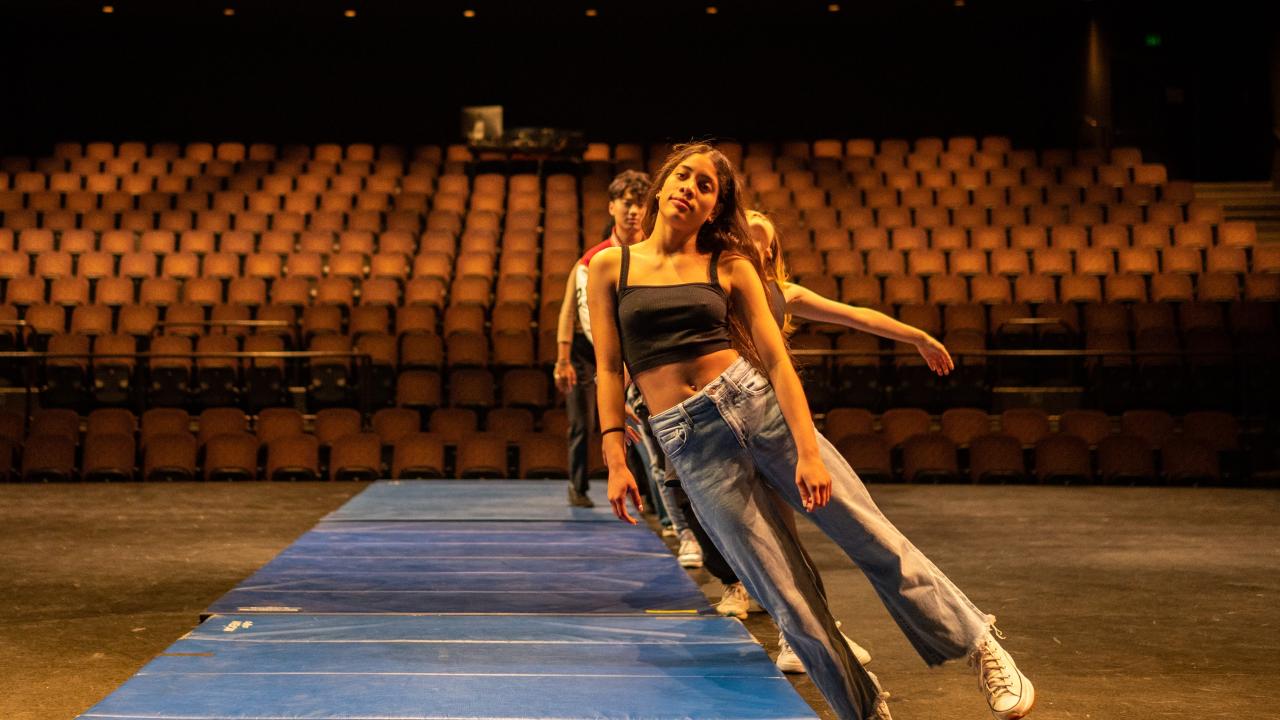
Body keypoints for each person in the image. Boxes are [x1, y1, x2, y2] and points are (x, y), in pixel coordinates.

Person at [587, 143, 1035, 720]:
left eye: (705, 187)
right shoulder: (610, 266)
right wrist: (616, 453)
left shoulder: (728, 266)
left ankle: (980, 644)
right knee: (786, 597)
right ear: (661, 184)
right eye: (683, 176)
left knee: (871, 538)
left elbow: (776, 365)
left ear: (714, 209)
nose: (689, 188)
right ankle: (861, 709)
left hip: (755, 408)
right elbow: (606, 366)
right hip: (688, 440)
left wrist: (807, 451)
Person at [553, 170, 649, 507]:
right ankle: (578, 488)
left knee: (642, 425)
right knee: (583, 422)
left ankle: (649, 497)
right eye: (627, 204)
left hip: (635, 352)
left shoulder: (655, 257)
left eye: (640, 204)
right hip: (589, 352)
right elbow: (571, 313)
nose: (633, 211)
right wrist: (563, 359)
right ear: (612, 208)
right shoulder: (590, 262)